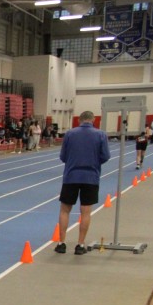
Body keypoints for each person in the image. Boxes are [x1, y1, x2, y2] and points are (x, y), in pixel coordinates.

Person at [55, 110, 110, 256]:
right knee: (85, 212)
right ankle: (80, 245)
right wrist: (93, 162)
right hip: (90, 177)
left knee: (65, 210)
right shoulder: (101, 134)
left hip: (71, 176)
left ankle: (61, 243)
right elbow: (105, 156)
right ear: (93, 120)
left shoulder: (70, 134)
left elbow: (63, 156)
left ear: (79, 120)